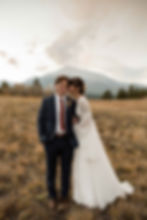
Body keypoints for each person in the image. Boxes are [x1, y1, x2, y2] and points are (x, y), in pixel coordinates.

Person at [68, 77, 134, 209]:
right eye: (70, 85)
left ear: (78, 88)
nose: (71, 88)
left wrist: (74, 126)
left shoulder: (82, 101)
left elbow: (87, 121)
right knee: (83, 162)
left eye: (73, 86)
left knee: (86, 161)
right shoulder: (78, 100)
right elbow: (83, 119)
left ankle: (91, 194)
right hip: (84, 134)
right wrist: (76, 121)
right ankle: (84, 192)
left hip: (85, 136)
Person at [37, 76, 78, 211]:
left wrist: (76, 119)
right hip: (52, 141)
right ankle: (52, 196)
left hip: (67, 142)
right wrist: (43, 138)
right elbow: (40, 121)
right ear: (55, 86)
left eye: (66, 86)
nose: (62, 88)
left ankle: (64, 196)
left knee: (66, 171)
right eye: (60, 85)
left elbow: (77, 117)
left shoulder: (71, 102)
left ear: (67, 89)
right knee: (51, 170)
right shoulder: (47, 101)